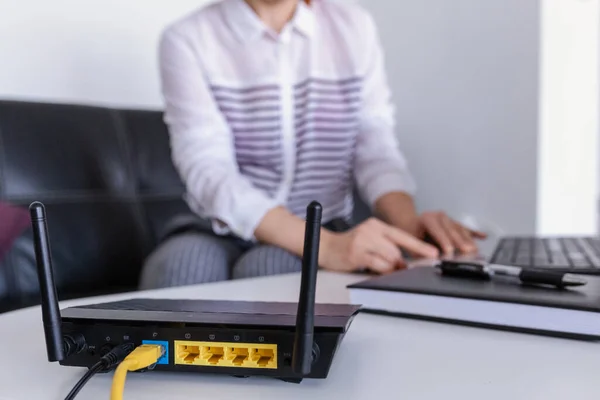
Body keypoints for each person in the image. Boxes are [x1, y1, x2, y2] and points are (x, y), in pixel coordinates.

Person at [138, 0, 486, 289]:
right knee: (181, 269)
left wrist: (410, 226)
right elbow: (209, 169)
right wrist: (326, 248)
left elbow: (374, 146)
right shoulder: (187, 39)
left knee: (271, 270)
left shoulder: (353, 27)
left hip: (324, 223)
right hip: (219, 227)